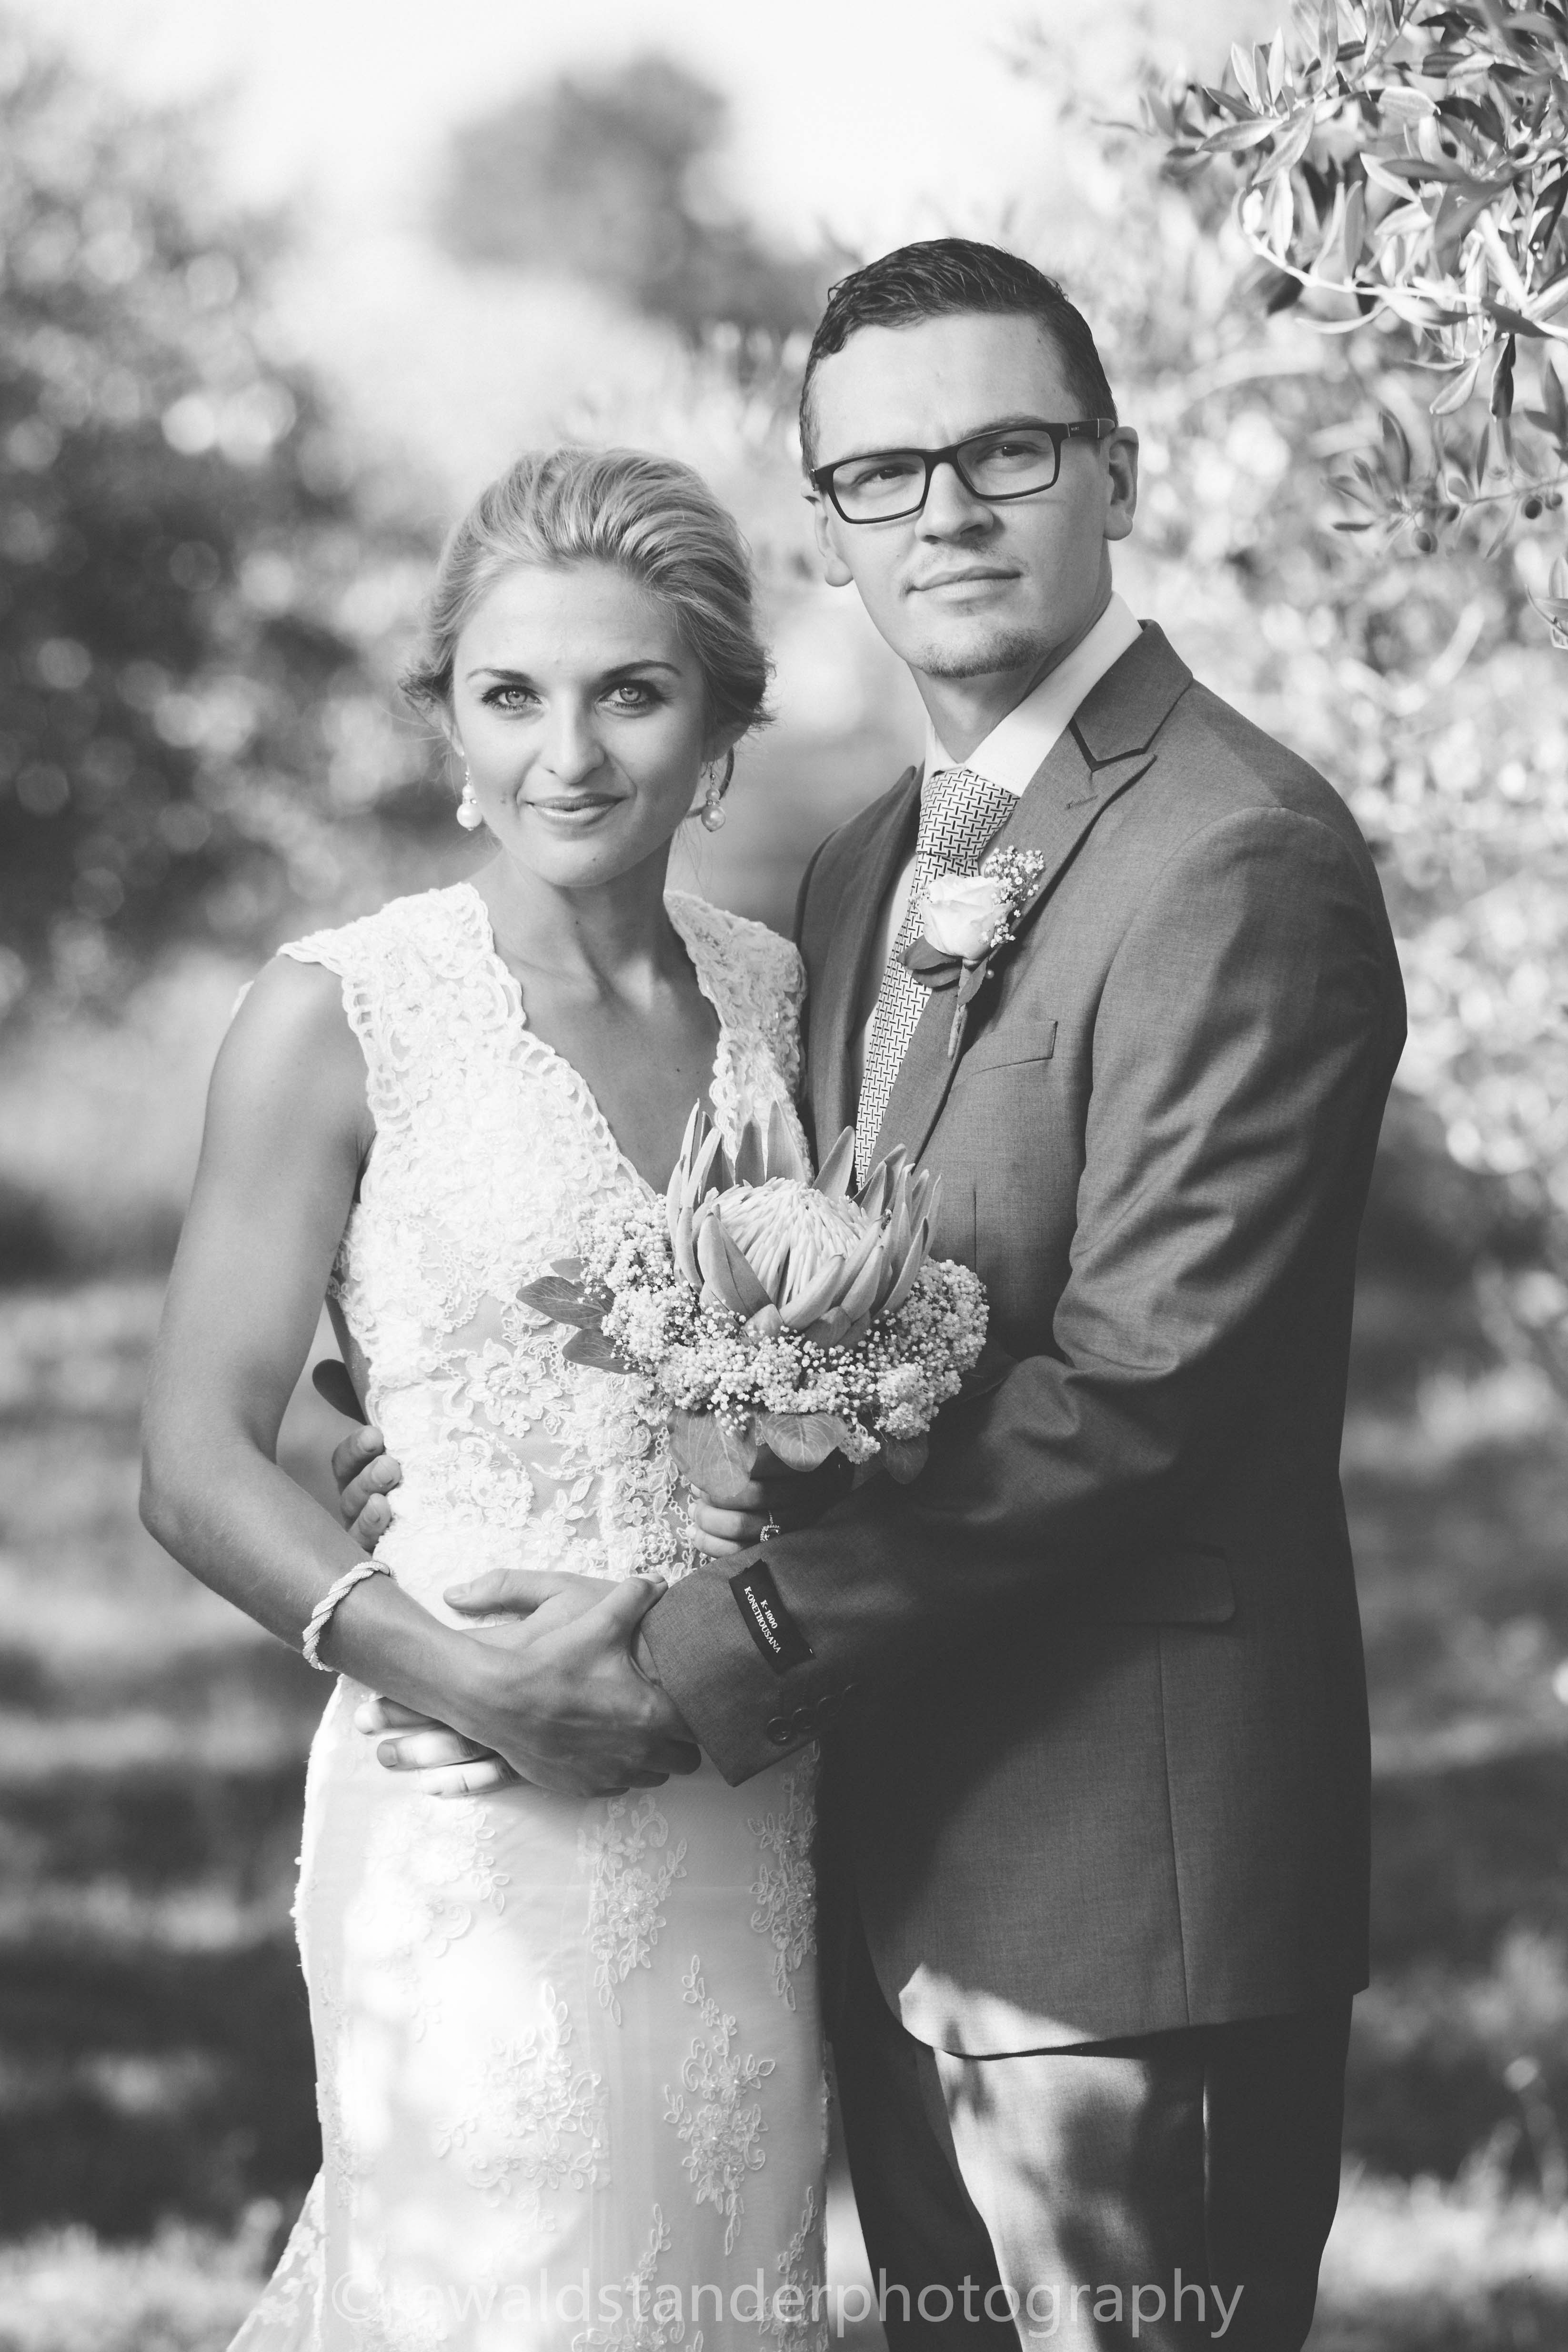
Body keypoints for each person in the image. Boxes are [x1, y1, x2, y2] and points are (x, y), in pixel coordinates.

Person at [342, 241, 1407, 2351]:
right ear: (828, 529)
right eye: (886, 473)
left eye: (1008, 451)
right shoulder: (862, 864)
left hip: (1126, 1891)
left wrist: (701, 1644)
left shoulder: (1235, 855)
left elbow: (1144, 1390)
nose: (951, 511)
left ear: (1116, 471)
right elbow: (790, 1294)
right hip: (877, 1855)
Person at [140, 447, 834, 2351]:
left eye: (632, 692)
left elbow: (821, 1363)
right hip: (462, 1797)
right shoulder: (337, 1009)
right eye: (510, 693)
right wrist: (468, 1678)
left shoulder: (783, 999)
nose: (568, 752)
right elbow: (194, 1451)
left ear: (719, 725)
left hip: (744, 1790)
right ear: (447, 718)